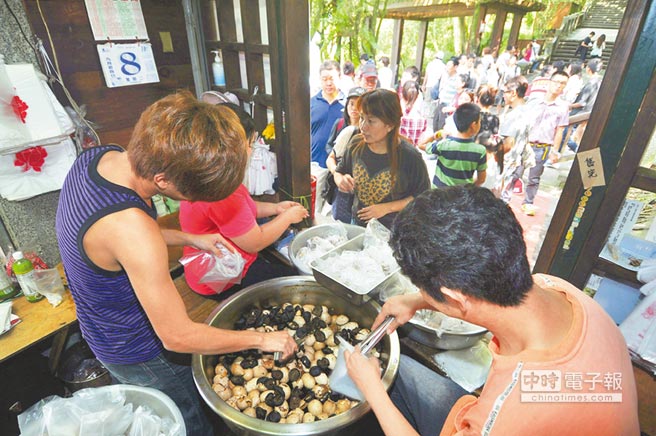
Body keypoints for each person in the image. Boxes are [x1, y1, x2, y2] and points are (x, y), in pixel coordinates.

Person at [55, 91, 298, 435]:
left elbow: (112, 239)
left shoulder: (100, 157)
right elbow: (177, 337)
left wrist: (190, 238)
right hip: (139, 350)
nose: (196, 201)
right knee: (188, 420)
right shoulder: (132, 230)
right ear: (163, 181)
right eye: (194, 194)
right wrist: (262, 340)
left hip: (98, 327)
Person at [345, 185, 639, 436]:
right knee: (400, 371)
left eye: (424, 288)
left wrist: (372, 389)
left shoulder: (511, 412)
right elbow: (477, 298)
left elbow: (505, 414)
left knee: (382, 381)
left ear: (454, 297)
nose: (422, 294)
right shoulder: (556, 288)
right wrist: (418, 300)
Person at [179, 103, 308, 297]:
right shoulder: (222, 192)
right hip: (219, 278)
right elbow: (255, 242)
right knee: (294, 285)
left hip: (213, 266)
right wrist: (288, 217)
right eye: (250, 144)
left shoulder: (208, 172)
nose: (251, 151)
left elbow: (245, 211)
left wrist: (276, 209)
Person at [334, 89, 430, 228]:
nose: (363, 127)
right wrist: (341, 180)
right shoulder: (356, 144)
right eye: (361, 118)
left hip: (392, 230)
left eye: (371, 121)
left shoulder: (410, 156)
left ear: (390, 125)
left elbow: (422, 196)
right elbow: (339, 171)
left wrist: (386, 208)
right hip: (357, 224)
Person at [519, 70, 570, 216]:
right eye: (557, 82)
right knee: (516, 172)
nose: (558, 86)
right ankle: (505, 198)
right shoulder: (534, 100)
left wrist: (555, 150)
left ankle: (528, 203)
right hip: (526, 143)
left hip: (544, 146)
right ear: (550, 82)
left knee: (534, 178)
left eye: (563, 84)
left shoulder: (562, 106)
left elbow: (559, 131)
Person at [420, 102, 486, 188]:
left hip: (439, 193)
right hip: (462, 196)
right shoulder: (480, 151)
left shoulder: (444, 145)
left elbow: (421, 145)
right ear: (473, 125)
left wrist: (438, 134)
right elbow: (481, 179)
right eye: (479, 122)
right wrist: (466, 187)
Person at [325, 87, 365, 222]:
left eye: (358, 104)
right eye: (351, 103)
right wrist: (337, 171)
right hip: (344, 184)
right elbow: (330, 150)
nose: (354, 108)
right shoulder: (342, 126)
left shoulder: (367, 131)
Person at [498, 75, 536, 204]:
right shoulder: (527, 111)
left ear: (513, 93)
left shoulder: (514, 116)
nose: (503, 95)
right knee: (506, 196)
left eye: (505, 92)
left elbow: (508, 144)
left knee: (500, 198)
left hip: (507, 163)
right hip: (517, 162)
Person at [310, 60, 345, 168]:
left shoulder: (347, 105)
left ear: (340, 77)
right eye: (324, 79)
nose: (328, 83)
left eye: (332, 79)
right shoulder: (312, 103)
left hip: (339, 165)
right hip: (315, 162)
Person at [399, 80, 427, 146]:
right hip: (413, 152)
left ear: (402, 95)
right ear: (417, 95)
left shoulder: (397, 118)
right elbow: (421, 142)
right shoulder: (422, 121)